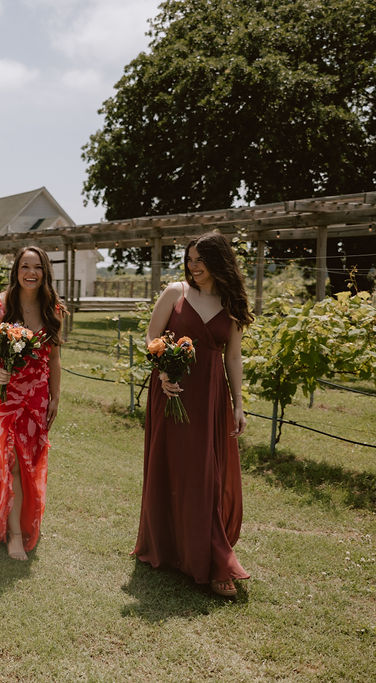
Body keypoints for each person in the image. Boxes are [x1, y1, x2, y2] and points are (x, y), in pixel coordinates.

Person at [133, 231, 253, 598]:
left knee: (206, 475)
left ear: (219, 262)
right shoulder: (175, 293)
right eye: (189, 259)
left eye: (200, 260)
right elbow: (153, 335)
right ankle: (167, 549)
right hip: (172, 392)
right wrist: (164, 373)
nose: (193, 266)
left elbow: (232, 356)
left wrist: (238, 402)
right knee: (171, 466)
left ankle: (214, 559)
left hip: (210, 396)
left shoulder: (230, 302)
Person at [0, 246, 64, 560]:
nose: (31, 273)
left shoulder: (53, 308)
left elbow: (54, 358)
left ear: (45, 271)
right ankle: (13, 535)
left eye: (37, 267)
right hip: (3, 395)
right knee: (10, 461)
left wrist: (55, 397)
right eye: (25, 266)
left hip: (37, 397)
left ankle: (24, 522)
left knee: (30, 461)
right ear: (16, 270)